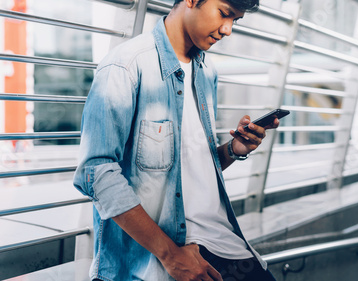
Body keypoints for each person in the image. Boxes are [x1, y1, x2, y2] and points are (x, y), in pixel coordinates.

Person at [73, 0, 279, 279]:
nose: (228, 29)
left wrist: (233, 149)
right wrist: (171, 255)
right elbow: (95, 172)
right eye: (224, 14)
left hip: (223, 242)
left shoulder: (207, 73)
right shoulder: (125, 66)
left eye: (236, 21)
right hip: (160, 257)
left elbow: (190, 169)